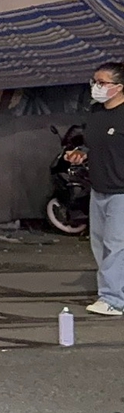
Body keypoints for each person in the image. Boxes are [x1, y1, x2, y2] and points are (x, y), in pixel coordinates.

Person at [67, 64, 124, 317]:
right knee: (100, 244)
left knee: (116, 244)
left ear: (119, 87)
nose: (96, 87)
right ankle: (115, 291)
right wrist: (80, 154)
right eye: (94, 82)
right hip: (99, 187)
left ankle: (112, 298)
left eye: (102, 83)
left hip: (121, 190)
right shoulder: (96, 112)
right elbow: (94, 146)